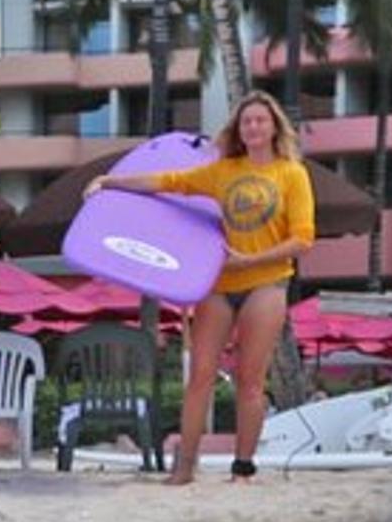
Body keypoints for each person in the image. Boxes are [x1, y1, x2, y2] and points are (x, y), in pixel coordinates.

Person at [86, 89, 316, 485]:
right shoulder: (224, 170)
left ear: (274, 127)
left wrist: (251, 260)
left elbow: (303, 238)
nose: (254, 127)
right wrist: (110, 182)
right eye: (247, 121)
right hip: (219, 283)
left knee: (250, 381)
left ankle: (243, 468)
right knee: (200, 377)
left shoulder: (292, 173)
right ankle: (185, 466)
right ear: (238, 130)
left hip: (267, 283)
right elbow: (169, 181)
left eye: (261, 120)